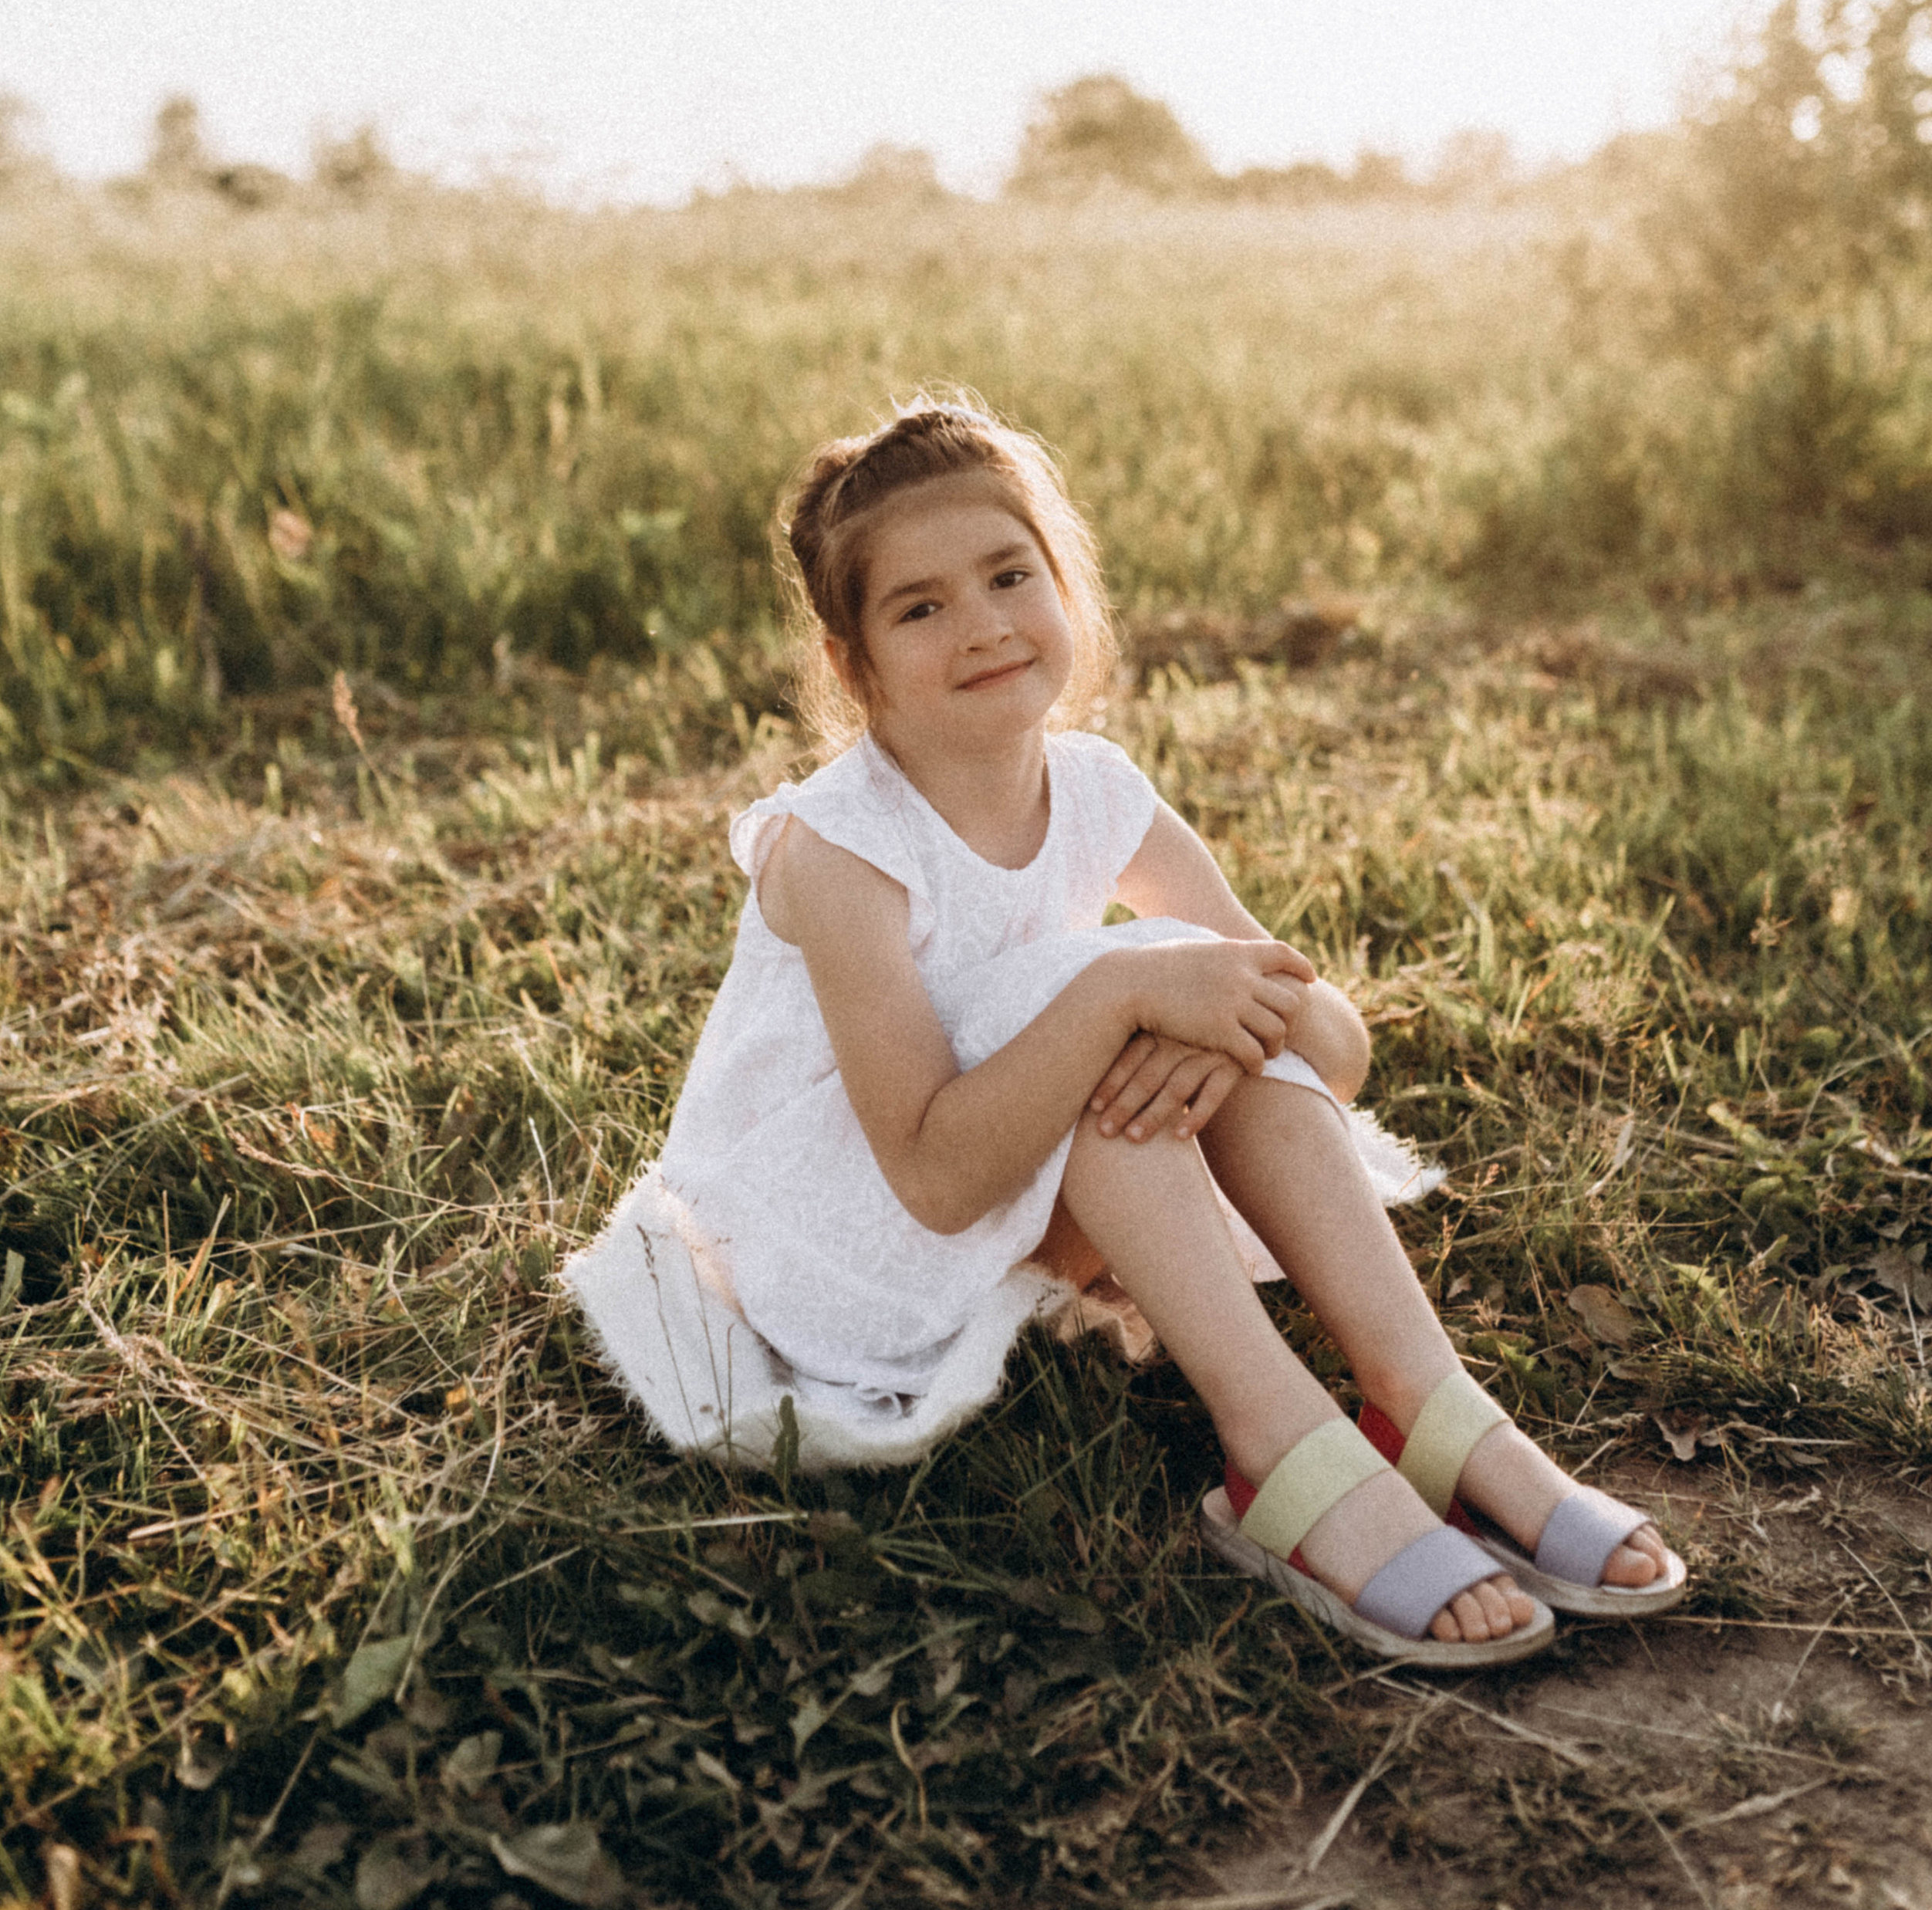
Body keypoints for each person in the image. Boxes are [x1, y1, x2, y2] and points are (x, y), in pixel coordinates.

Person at [565, 399, 1686, 1668]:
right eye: (920, 607)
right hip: (837, 1228)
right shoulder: (843, 852)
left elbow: (1327, 1043)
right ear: (851, 663)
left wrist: (1212, 1019)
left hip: (1020, 1163)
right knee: (1126, 984)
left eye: (1009, 575)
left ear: (1067, 585)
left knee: (1170, 984)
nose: (983, 624)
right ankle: (1279, 1447)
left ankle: (1433, 1406)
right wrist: (1125, 995)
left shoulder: (1096, 787)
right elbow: (933, 1179)